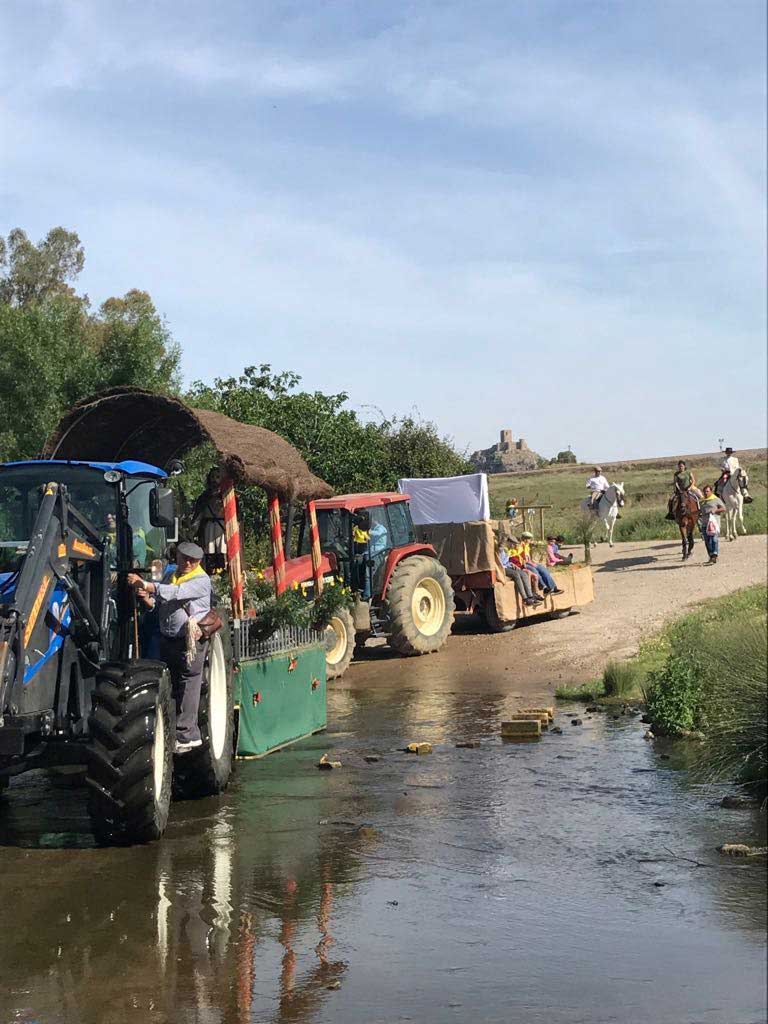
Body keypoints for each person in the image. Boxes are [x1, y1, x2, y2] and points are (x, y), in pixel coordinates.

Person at [128, 541, 212, 754]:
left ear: (199, 562)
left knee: (189, 682)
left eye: (193, 561)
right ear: (178, 558)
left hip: (189, 642)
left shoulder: (201, 580)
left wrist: (147, 585)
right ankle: (171, 730)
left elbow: (176, 593)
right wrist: (147, 599)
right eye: (184, 559)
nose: (188, 563)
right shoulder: (170, 576)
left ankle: (188, 735)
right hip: (168, 639)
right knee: (172, 685)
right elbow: (160, 604)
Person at [190, 468, 228, 572]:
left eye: (218, 477)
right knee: (209, 550)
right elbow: (199, 514)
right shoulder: (204, 496)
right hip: (208, 526)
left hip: (223, 527)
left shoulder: (227, 495)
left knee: (223, 549)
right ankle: (210, 569)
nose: (214, 480)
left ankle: (223, 569)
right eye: (212, 477)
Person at [698, 484, 726, 565]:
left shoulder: (716, 499)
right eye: (704, 492)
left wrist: (715, 510)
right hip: (704, 524)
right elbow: (700, 511)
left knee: (713, 539)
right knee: (707, 541)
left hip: (714, 523)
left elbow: (724, 508)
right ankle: (711, 556)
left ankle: (715, 555)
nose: (706, 493)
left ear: (711, 491)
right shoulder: (702, 501)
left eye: (707, 491)